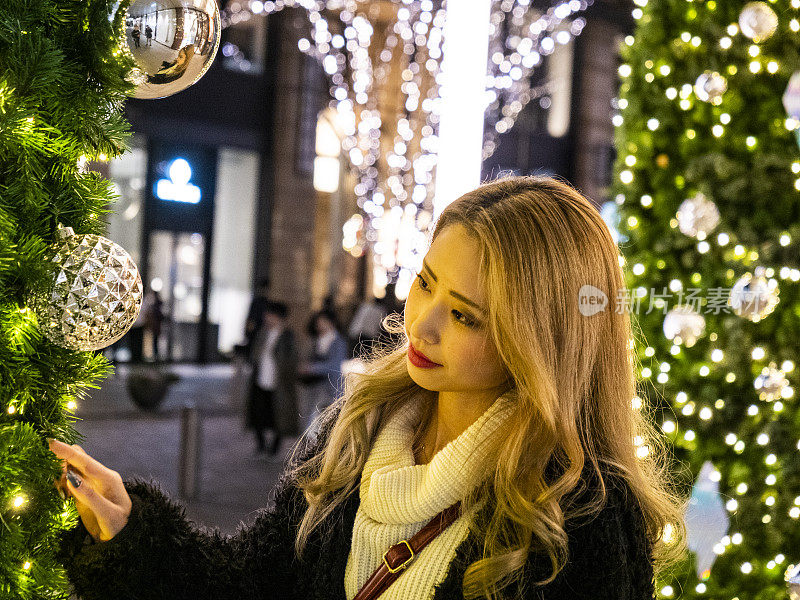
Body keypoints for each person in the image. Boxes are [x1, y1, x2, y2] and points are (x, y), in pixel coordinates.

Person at [49, 176, 686, 600]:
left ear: (540, 338)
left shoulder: (585, 512)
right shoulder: (355, 433)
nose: (423, 323)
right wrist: (133, 534)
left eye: (465, 315)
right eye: (425, 282)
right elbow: (251, 583)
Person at [245, 301, 298, 455]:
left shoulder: (288, 336)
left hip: (279, 383)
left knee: (278, 416)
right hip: (260, 379)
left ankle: (274, 449)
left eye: (270, 315)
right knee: (258, 413)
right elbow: (255, 354)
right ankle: (261, 446)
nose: (267, 318)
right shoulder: (262, 333)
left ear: (279, 317)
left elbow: (291, 359)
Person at [297, 309, 348, 433]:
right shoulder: (316, 340)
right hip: (313, 386)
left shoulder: (338, 342)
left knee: (324, 425)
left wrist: (311, 368)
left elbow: (335, 366)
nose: (320, 324)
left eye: (323, 321)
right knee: (311, 424)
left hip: (330, 388)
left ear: (331, 322)